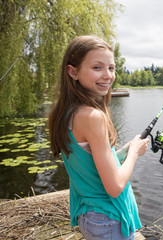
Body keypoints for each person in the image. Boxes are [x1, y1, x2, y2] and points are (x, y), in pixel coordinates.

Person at [48, 35, 149, 240]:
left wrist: (125, 151)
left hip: (89, 217)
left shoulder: (66, 112)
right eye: (97, 67)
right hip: (108, 221)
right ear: (73, 72)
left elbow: (89, 164)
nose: (108, 75)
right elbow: (114, 187)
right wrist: (134, 155)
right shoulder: (93, 117)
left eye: (111, 68)